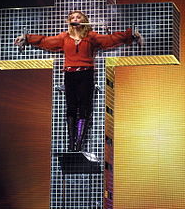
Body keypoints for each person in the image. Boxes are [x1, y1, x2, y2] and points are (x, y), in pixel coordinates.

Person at [15, 10, 143, 152]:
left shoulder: (91, 37)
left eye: (78, 17)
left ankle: (79, 144)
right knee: (70, 107)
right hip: (70, 74)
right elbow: (46, 41)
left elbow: (110, 40)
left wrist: (130, 33)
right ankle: (71, 143)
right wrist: (27, 37)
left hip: (86, 74)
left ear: (83, 20)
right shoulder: (65, 37)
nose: (75, 19)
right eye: (72, 17)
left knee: (84, 108)